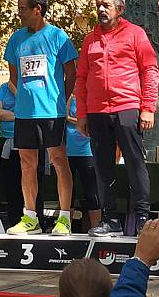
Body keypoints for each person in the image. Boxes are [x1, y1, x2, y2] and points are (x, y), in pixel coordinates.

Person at [76, 0, 159, 237]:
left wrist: (147, 108)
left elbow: (150, 71)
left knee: (135, 163)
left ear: (119, 9)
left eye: (106, 6)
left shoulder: (135, 34)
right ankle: (109, 219)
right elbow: (81, 78)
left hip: (128, 107)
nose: (101, 10)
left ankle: (142, 219)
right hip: (97, 112)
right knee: (102, 166)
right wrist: (82, 114)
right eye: (98, 5)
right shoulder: (90, 39)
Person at [4, 0, 77, 235]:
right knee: (27, 165)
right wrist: (25, 99)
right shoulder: (16, 39)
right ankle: (30, 217)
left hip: (52, 112)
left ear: (38, 9)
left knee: (59, 161)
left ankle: (64, 217)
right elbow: (13, 78)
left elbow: (71, 73)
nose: (19, 13)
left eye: (23, 8)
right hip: (24, 114)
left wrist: (60, 101)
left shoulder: (57, 36)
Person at [0, 81, 45, 228]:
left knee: (34, 185)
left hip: (32, 141)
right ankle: (13, 223)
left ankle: (36, 221)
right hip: (8, 141)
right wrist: (21, 115)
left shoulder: (35, 85)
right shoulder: (3, 87)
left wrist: (16, 92)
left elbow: (35, 109)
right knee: (11, 188)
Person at [66, 91, 101, 229]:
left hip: (87, 151)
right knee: (69, 190)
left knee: (91, 191)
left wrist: (71, 119)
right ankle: (66, 225)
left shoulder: (90, 98)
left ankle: (96, 226)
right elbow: (64, 115)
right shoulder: (69, 97)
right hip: (69, 150)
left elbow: (90, 122)